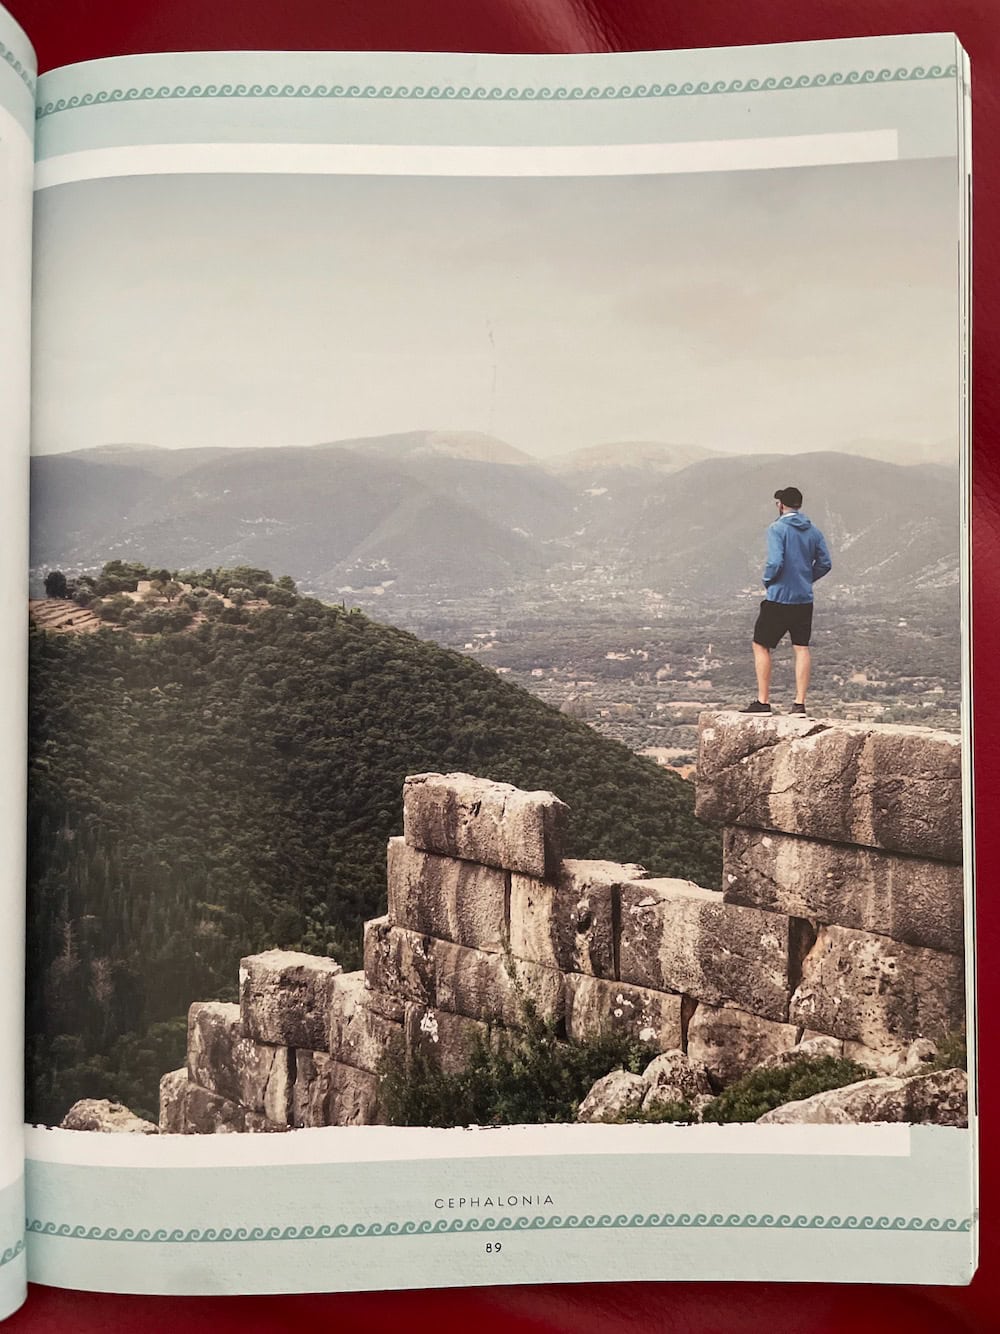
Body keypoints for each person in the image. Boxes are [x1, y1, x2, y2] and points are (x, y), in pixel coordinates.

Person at [741, 485, 832, 716]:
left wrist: (768, 580)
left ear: (781, 505)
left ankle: (763, 702)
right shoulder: (814, 531)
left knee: (760, 645)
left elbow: (775, 562)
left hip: (779, 597)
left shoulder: (776, 529)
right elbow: (825, 563)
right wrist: (805, 578)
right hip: (804, 599)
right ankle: (799, 704)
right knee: (801, 647)